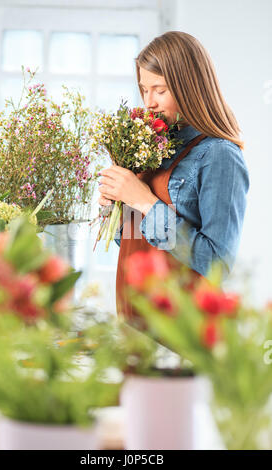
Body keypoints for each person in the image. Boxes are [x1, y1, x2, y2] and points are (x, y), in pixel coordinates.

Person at [98, 31, 249, 322]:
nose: (149, 102)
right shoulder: (153, 149)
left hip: (182, 330)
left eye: (160, 89)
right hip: (134, 321)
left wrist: (145, 203)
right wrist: (114, 205)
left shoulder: (219, 155)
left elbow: (217, 263)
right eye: (144, 89)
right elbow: (131, 243)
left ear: (190, 87)